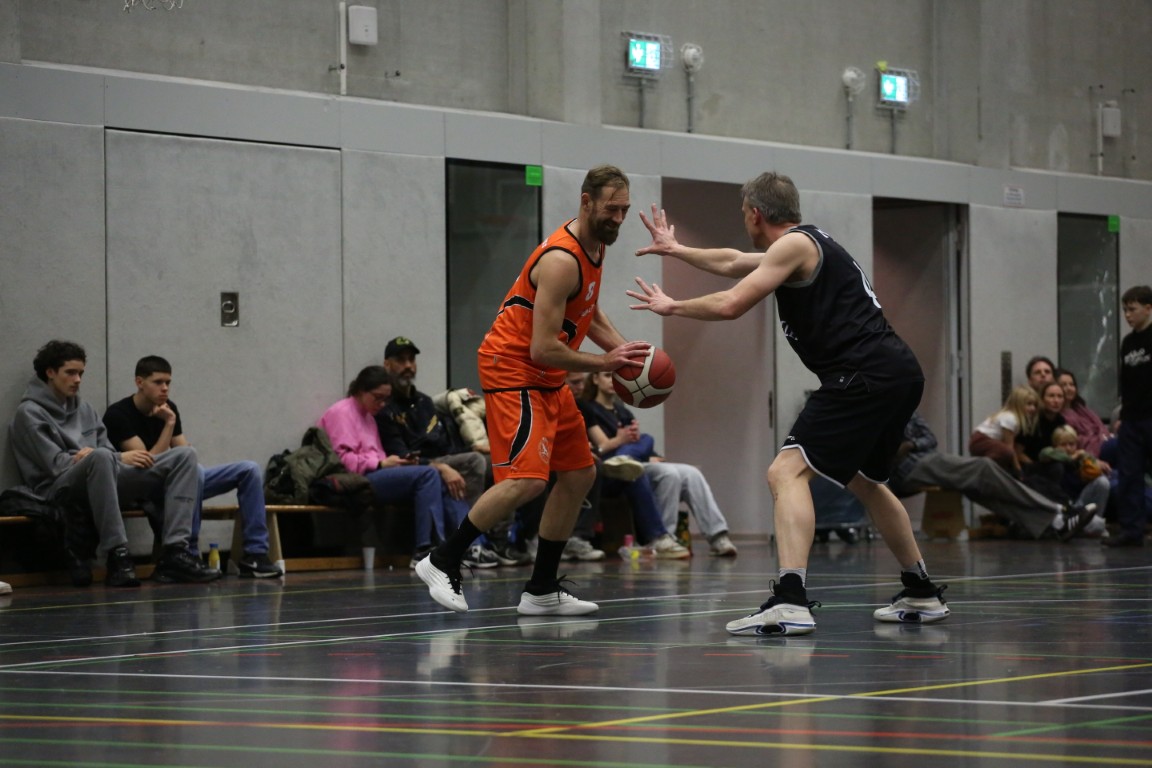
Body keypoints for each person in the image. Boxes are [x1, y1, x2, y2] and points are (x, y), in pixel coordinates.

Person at [628, 171, 948, 635]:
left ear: (756, 213)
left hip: (862, 375)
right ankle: (921, 590)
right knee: (867, 481)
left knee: (785, 472)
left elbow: (731, 304)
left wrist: (674, 306)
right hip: (897, 373)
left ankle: (791, 600)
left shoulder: (794, 245)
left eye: (744, 212)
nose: (744, 220)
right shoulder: (804, 243)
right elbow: (734, 260)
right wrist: (677, 250)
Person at [415, 164, 652, 616]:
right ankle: (442, 560)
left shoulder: (595, 246)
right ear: (586, 202)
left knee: (580, 474)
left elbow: (587, 310)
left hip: (546, 376)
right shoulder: (562, 260)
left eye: (624, 209)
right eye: (611, 209)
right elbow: (542, 348)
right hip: (514, 369)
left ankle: (541, 589)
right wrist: (605, 362)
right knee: (526, 481)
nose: (619, 218)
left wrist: (627, 353)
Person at [9, 340, 216, 586]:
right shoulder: (29, 413)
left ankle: (175, 552)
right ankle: (118, 554)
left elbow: (106, 448)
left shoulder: (84, 408)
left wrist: (110, 457)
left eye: (81, 373)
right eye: (70, 373)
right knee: (100, 457)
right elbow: (56, 466)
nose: (77, 380)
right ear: (50, 373)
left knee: (185, 455)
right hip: (58, 489)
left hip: (104, 474)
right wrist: (108, 457)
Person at [102, 355, 283, 578]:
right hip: (144, 487)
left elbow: (184, 453)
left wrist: (173, 427)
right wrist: (169, 424)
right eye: (158, 382)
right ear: (140, 382)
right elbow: (148, 464)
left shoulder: (168, 407)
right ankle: (189, 552)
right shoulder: (118, 414)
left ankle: (256, 555)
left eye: (168, 382)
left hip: (176, 483)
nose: (165, 388)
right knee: (194, 472)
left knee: (249, 469)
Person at [317, 366, 470, 567]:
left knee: (442, 479)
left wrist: (395, 463)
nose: (382, 404)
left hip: (375, 472)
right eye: (378, 398)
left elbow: (377, 454)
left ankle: (468, 545)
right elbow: (342, 460)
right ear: (361, 391)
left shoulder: (369, 417)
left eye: (385, 399)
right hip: (357, 479)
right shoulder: (341, 413)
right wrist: (381, 463)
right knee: (428, 474)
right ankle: (426, 547)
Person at [376, 336, 502, 566]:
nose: (408, 366)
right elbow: (401, 455)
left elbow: (444, 443)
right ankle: (470, 540)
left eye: (411, 360)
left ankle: (492, 539)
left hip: (440, 459)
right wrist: (442, 467)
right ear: (387, 364)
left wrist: (465, 451)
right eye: (401, 360)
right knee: (466, 467)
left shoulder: (424, 402)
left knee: (494, 461)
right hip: (412, 466)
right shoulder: (385, 406)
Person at [581, 371, 737, 556]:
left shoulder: (623, 412)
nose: (612, 381)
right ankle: (664, 537)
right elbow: (601, 447)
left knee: (690, 472)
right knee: (668, 473)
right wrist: (622, 441)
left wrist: (649, 455)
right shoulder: (589, 409)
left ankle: (718, 536)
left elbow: (639, 444)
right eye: (607, 376)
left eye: (616, 378)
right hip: (610, 467)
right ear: (595, 379)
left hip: (634, 460)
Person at [892, 412, 1097, 541]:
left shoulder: (906, 407)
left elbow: (929, 439)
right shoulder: (880, 410)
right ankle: (1058, 509)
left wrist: (910, 444)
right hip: (903, 469)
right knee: (983, 467)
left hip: (921, 458)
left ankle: (1054, 524)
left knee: (978, 489)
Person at [1107, 285, 1152, 547]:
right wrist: (1123, 414)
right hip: (1132, 419)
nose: (1127, 315)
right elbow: (1127, 382)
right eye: (1125, 310)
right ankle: (1131, 530)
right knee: (1129, 475)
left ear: (1148, 308)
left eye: (1132, 309)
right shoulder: (1128, 343)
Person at [1038, 425, 1109, 536]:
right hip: (1063, 507)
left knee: (1102, 482)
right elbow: (1044, 454)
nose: (1068, 448)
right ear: (1055, 445)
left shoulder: (1081, 458)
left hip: (1079, 502)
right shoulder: (1050, 455)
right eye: (1063, 445)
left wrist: (1088, 459)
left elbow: (1095, 470)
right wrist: (1072, 458)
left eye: (1071, 444)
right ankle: (1088, 526)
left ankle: (1092, 524)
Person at [968, 386, 1038, 477]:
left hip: (985, 441)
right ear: (1018, 404)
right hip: (981, 440)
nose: (1033, 408)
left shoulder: (1014, 419)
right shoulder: (1010, 419)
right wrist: (1018, 469)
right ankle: (985, 470)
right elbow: (1009, 446)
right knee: (1006, 452)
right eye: (1029, 404)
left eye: (1034, 405)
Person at [1056, 368, 1113, 460]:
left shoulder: (1081, 409)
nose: (1069, 388)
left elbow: (1100, 426)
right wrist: (1096, 438)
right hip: (1090, 450)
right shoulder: (1059, 416)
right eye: (1064, 385)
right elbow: (1074, 439)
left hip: (1104, 441)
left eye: (1071, 384)